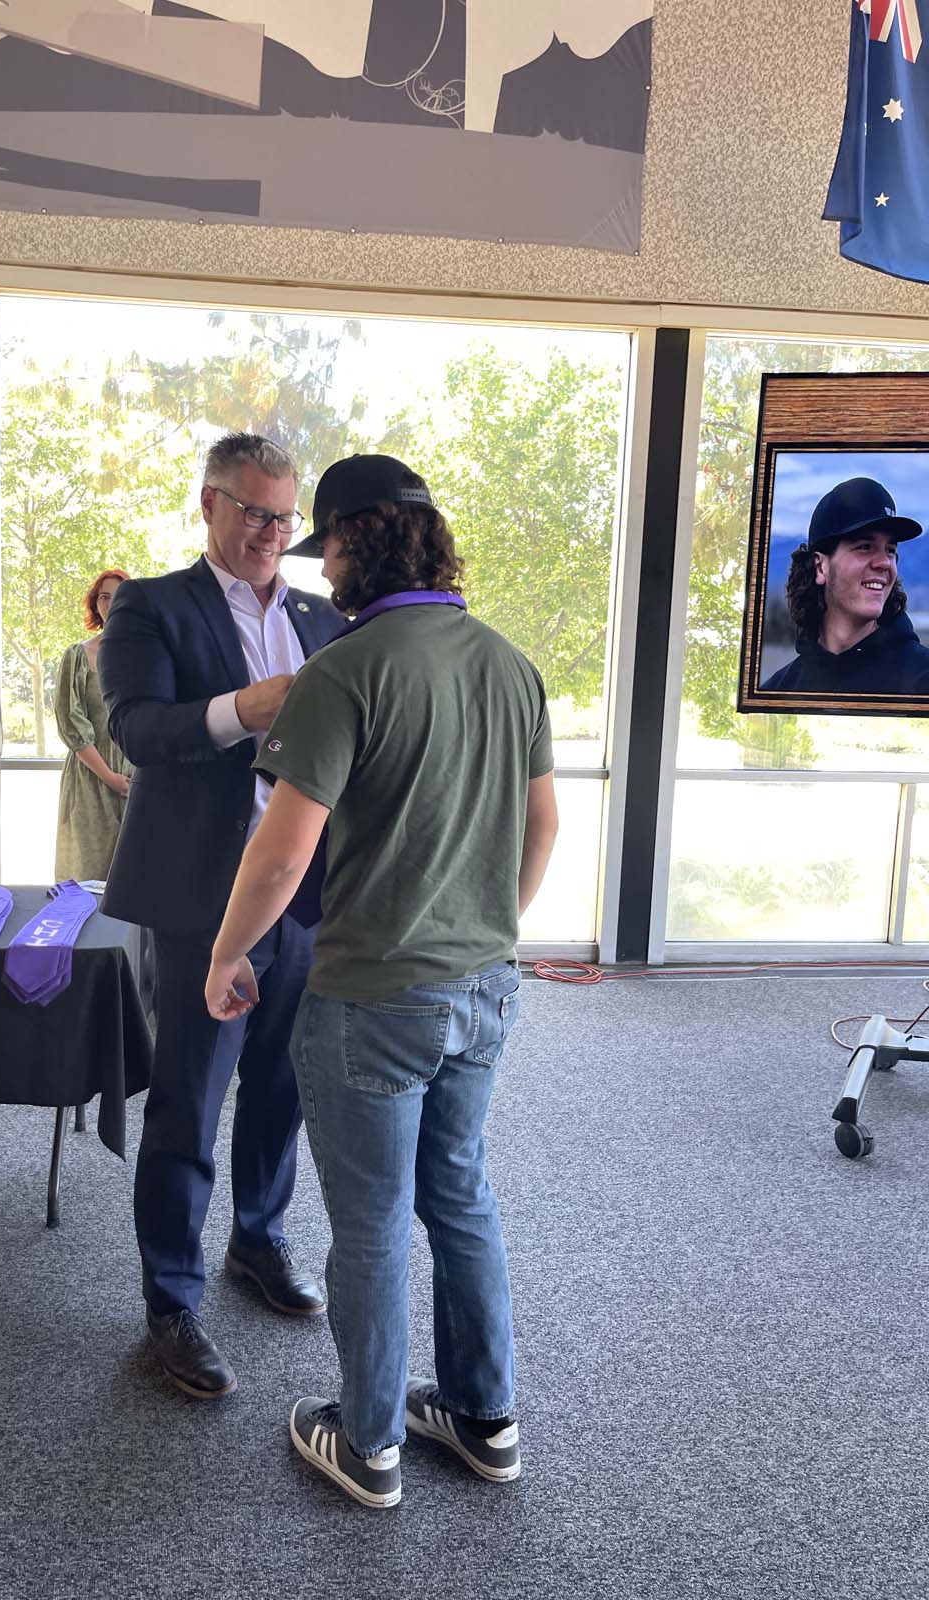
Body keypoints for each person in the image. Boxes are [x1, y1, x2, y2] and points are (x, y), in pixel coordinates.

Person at [204, 454, 558, 1509]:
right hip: (485, 987)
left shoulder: (344, 671)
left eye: (328, 546)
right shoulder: (507, 661)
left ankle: (368, 1447)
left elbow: (280, 853)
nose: (325, 569)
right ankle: (486, 1420)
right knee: (460, 1196)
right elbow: (542, 825)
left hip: (369, 1000)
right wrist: (485, 929)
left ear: (357, 541)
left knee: (367, 1220)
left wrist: (228, 954)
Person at [99, 432, 343, 1400]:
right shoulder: (153, 606)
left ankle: (259, 1239)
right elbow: (137, 730)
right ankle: (169, 1304)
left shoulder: (327, 620)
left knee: (284, 1085)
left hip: (305, 895)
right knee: (189, 1102)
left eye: (285, 517)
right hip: (202, 896)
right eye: (253, 512)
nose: (272, 533)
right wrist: (244, 706)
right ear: (209, 504)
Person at [760, 476, 929, 694]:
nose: (885, 563)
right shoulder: (779, 691)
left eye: (890, 550)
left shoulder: (922, 680)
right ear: (820, 567)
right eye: (865, 546)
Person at [53, 568, 132, 883]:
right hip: (91, 777)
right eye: (104, 596)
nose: (111, 603)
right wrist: (109, 777)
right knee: (88, 873)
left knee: (134, 876)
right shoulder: (77, 656)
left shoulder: (148, 656)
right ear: (95, 604)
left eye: (119, 596)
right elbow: (71, 722)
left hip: (136, 777)